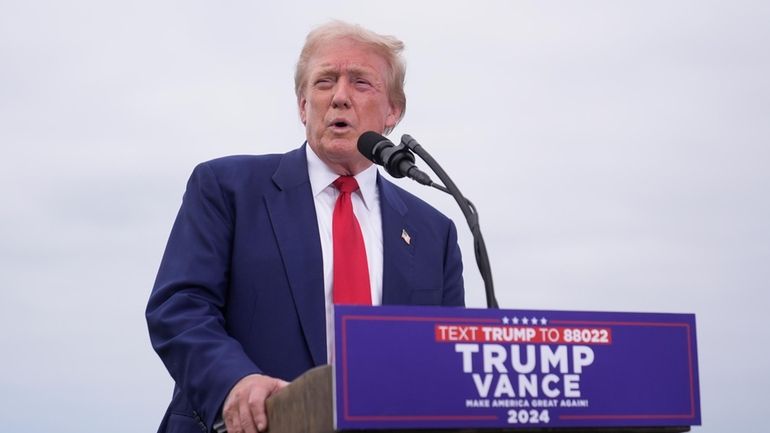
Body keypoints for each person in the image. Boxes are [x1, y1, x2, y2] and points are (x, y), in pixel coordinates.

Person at [146, 21, 464, 433]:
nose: (340, 97)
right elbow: (180, 307)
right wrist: (235, 382)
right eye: (324, 82)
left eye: (361, 83)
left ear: (393, 111)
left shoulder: (434, 233)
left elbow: (448, 358)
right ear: (302, 105)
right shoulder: (228, 189)